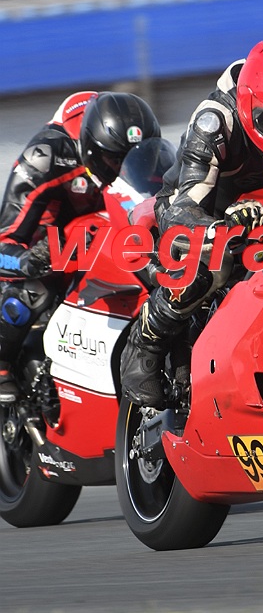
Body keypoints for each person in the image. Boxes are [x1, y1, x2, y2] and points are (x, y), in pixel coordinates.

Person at [120, 37, 263, 409]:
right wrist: (221, 227)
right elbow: (186, 204)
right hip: (198, 208)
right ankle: (146, 343)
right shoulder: (216, 120)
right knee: (213, 258)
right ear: (252, 107)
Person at [0, 91, 161, 404]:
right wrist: (30, 260)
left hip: (110, 229)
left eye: (136, 157)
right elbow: (5, 242)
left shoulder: (148, 152)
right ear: (91, 151)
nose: (125, 167)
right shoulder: (46, 156)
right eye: (115, 160)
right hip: (53, 235)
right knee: (34, 290)